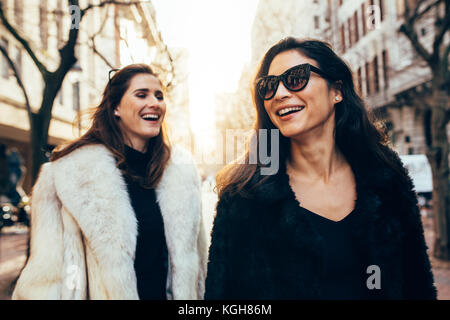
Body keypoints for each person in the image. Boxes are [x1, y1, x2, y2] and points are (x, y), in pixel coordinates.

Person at [205, 38, 437, 300]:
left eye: (295, 78)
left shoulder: (387, 178)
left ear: (336, 90)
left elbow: (417, 284)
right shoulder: (244, 194)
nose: (279, 94)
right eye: (268, 86)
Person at [13, 64, 206, 300]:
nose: (155, 103)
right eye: (141, 94)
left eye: (159, 96)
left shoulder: (182, 173)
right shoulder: (65, 176)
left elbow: (198, 269)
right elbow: (46, 279)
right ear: (116, 107)